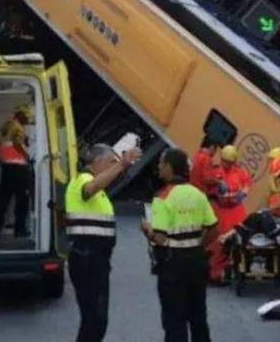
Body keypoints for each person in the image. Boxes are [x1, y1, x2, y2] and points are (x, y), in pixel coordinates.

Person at [66, 143, 141, 342]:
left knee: (96, 320)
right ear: (98, 162)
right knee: (94, 320)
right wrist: (123, 164)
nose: (113, 167)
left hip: (94, 259)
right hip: (87, 257)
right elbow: (89, 188)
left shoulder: (98, 188)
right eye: (111, 162)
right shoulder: (83, 179)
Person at [141, 148, 217, 342]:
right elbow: (214, 228)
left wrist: (146, 228)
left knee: (174, 320)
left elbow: (159, 238)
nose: (158, 166)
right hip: (197, 261)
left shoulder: (163, 197)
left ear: (169, 167)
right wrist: (197, 244)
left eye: (161, 163)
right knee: (198, 317)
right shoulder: (198, 194)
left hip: (172, 265)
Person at [206, 145, 251, 283]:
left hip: (236, 210)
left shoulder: (240, 172)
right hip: (221, 210)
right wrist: (217, 186)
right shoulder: (215, 172)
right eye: (225, 161)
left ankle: (237, 269)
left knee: (241, 240)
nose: (227, 164)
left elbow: (247, 185)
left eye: (230, 162)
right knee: (219, 242)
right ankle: (215, 273)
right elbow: (208, 185)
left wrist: (243, 193)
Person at [0, 104, 33, 238]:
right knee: (22, 200)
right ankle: (20, 229)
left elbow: (0, 143)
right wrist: (28, 157)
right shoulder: (17, 127)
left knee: (3, 200)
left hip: (6, 167)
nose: (27, 120)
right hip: (19, 168)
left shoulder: (5, 127)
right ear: (20, 115)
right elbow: (16, 144)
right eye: (26, 117)